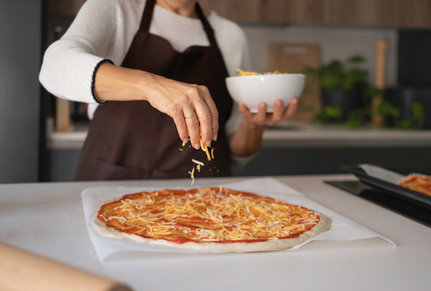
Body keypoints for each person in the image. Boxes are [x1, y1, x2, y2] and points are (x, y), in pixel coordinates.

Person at [40, 0, 298, 180]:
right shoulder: (115, 8)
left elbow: (235, 151)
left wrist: (254, 124)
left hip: (201, 200)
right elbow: (54, 68)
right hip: (110, 185)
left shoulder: (230, 35)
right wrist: (150, 85)